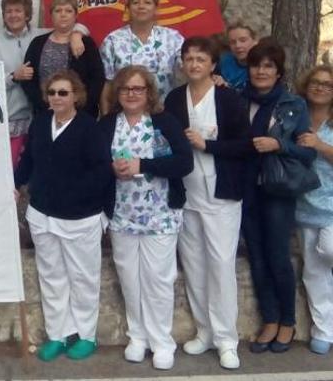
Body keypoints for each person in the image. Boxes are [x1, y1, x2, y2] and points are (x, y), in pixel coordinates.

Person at [164, 37, 251, 369]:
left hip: (221, 194)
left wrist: (208, 145)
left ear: (213, 65)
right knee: (195, 265)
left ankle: (227, 339)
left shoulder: (228, 99)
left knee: (221, 265)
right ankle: (205, 332)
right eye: (189, 59)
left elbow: (244, 145)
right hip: (187, 195)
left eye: (201, 59)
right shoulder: (174, 99)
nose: (194, 64)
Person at [98, 65, 193, 370]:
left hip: (160, 213)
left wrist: (144, 164)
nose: (131, 94)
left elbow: (184, 162)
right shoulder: (108, 123)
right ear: (118, 93)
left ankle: (161, 341)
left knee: (159, 278)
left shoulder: (164, 121)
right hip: (122, 213)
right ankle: (137, 337)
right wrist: (110, 168)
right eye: (126, 89)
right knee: (129, 277)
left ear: (149, 92)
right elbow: (95, 162)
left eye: (138, 89)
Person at [14, 70, 109, 362]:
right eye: (52, 92)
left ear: (76, 96)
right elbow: (28, 159)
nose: (56, 97)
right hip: (43, 213)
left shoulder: (89, 128)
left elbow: (101, 171)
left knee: (83, 277)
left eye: (63, 92)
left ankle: (85, 335)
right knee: (52, 276)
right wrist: (16, 184)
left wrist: (80, 197)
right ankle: (58, 334)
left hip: (80, 216)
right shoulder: (41, 123)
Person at [240, 39, 315, 354]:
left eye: (268, 65)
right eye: (257, 64)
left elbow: (308, 152)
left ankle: (287, 321)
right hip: (246, 188)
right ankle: (269, 320)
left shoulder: (293, 105)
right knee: (256, 257)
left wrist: (279, 145)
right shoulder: (237, 100)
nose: (261, 70)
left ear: (279, 72)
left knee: (277, 256)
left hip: (278, 189)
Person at [0, 0, 87, 167]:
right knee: (12, 170)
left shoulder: (42, 36)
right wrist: (14, 76)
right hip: (11, 118)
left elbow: (72, 26)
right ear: (4, 15)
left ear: (28, 14)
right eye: (9, 11)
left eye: (18, 11)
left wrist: (77, 35)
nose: (13, 15)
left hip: (41, 115)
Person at [294, 65, 333, 355]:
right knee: (314, 271)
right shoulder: (297, 116)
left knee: (329, 250)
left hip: (332, 204)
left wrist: (320, 145)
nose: (320, 88)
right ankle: (323, 330)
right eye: (316, 83)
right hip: (303, 203)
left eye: (327, 84)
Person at [22, 0, 105, 118]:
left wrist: (79, 109)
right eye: (58, 10)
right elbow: (28, 79)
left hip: (81, 115)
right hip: (45, 114)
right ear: (51, 15)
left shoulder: (86, 43)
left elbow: (97, 79)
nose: (63, 14)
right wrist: (44, 105)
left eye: (68, 11)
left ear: (75, 15)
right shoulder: (37, 43)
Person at [100, 0, 185, 105]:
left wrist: (212, 77)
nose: (141, 6)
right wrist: (106, 119)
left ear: (156, 8)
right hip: (124, 114)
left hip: (166, 113)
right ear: (128, 8)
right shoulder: (113, 40)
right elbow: (107, 85)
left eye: (147, 2)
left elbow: (190, 68)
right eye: (136, 2)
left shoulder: (173, 38)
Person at [216, 22, 258, 93]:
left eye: (243, 40)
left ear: (255, 41)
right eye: (232, 42)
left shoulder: (261, 65)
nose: (238, 46)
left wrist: (228, 88)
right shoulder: (224, 61)